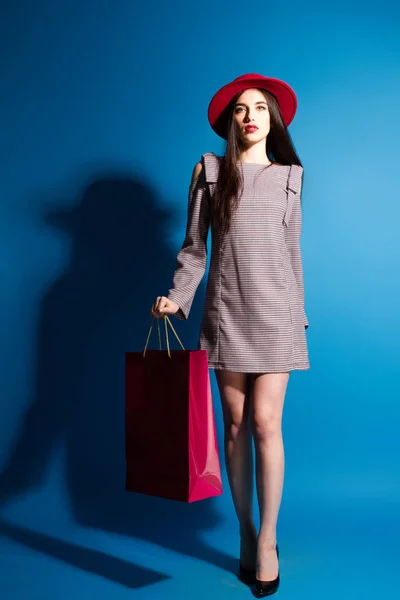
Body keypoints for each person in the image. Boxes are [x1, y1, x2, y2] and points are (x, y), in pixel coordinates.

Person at [150, 73, 310, 597]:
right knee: (237, 426)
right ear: (231, 121)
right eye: (241, 109)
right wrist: (178, 296)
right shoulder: (210, 172)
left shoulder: (291, 176)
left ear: (272, 119)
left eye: (259, 109)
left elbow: (293, 255)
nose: (249, 117)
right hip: (225, 311)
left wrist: (299, 313)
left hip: (276, 313)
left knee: (267, 423)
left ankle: (268, 539)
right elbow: (195, 247)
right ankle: (243, 530)